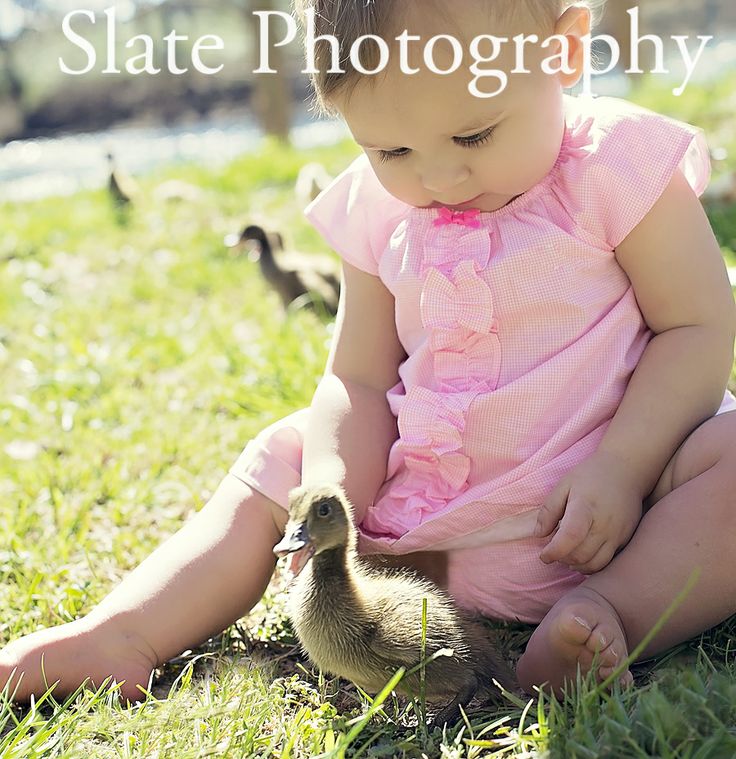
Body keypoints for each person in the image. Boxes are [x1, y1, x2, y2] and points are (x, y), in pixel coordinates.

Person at [2, 0, 736, 704]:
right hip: (414, 549)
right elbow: (356, 377)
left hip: (600, 522)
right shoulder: (377, 208)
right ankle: (123, 631)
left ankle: (606, 615)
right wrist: (332, 483)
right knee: (284, 450)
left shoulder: (615, 168)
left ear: (563, 50)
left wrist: (623, 465)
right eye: (391, 149)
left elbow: (697, 327)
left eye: (475, 135)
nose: (440, 178)